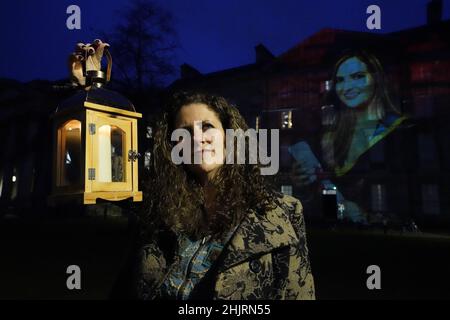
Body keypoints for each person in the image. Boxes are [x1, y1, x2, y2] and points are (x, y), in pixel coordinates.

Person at [135, 92, 315, 300]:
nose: (197, 138)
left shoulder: (279, 212)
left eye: (207, 127)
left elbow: (298, 293)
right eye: (184, 132)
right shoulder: (160, 214)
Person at [291, 50, 412, 224]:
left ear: (376, 79)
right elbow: (322, 192)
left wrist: (366, 215)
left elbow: (401, 196)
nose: (347, 87)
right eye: (340, 80)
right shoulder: (329, 136)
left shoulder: (398, 129)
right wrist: (303, 184)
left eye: (358, 76)